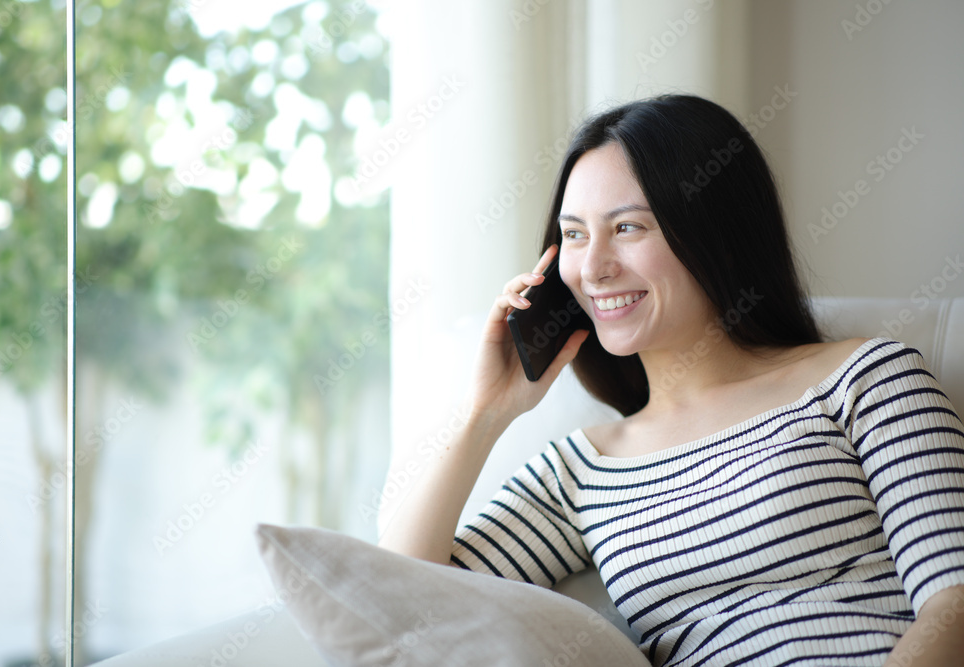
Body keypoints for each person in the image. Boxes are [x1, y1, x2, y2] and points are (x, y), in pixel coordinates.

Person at [378, 95, 964, 666]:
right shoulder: (580, 472)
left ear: (717, 233)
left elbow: (953, 603)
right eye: (575, 234)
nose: (593, 267)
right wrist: (484, 412)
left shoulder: (866, 377)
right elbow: (400, 607)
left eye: (628, 228)